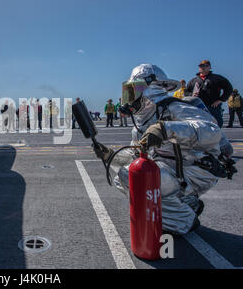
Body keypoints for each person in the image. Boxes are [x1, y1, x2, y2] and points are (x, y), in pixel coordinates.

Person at [96, 63, 234, 235]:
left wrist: (166, 129)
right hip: (174, 168)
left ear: (150, 88)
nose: (129, 96)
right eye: (128, 90)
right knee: (121, 177)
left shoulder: (174, 108)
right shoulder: (141, 122)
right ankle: (186, 202)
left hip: (196, 169)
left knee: (134, 178)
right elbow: (135, 155)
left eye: (134, 89)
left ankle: (184, 221)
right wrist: (110, 156)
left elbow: (211, 130)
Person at [185, 60, 233, 128]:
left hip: (213, 107)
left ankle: (217, 138)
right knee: (200, 126)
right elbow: (186, 92)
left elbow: (229, 88)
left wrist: (220, 100)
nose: (203, 68)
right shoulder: (193, 80)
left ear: (209, 67)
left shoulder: (217, 78)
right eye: (201, 66)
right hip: (198, 107)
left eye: (205, 66)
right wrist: (191, 95)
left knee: (217, 124)